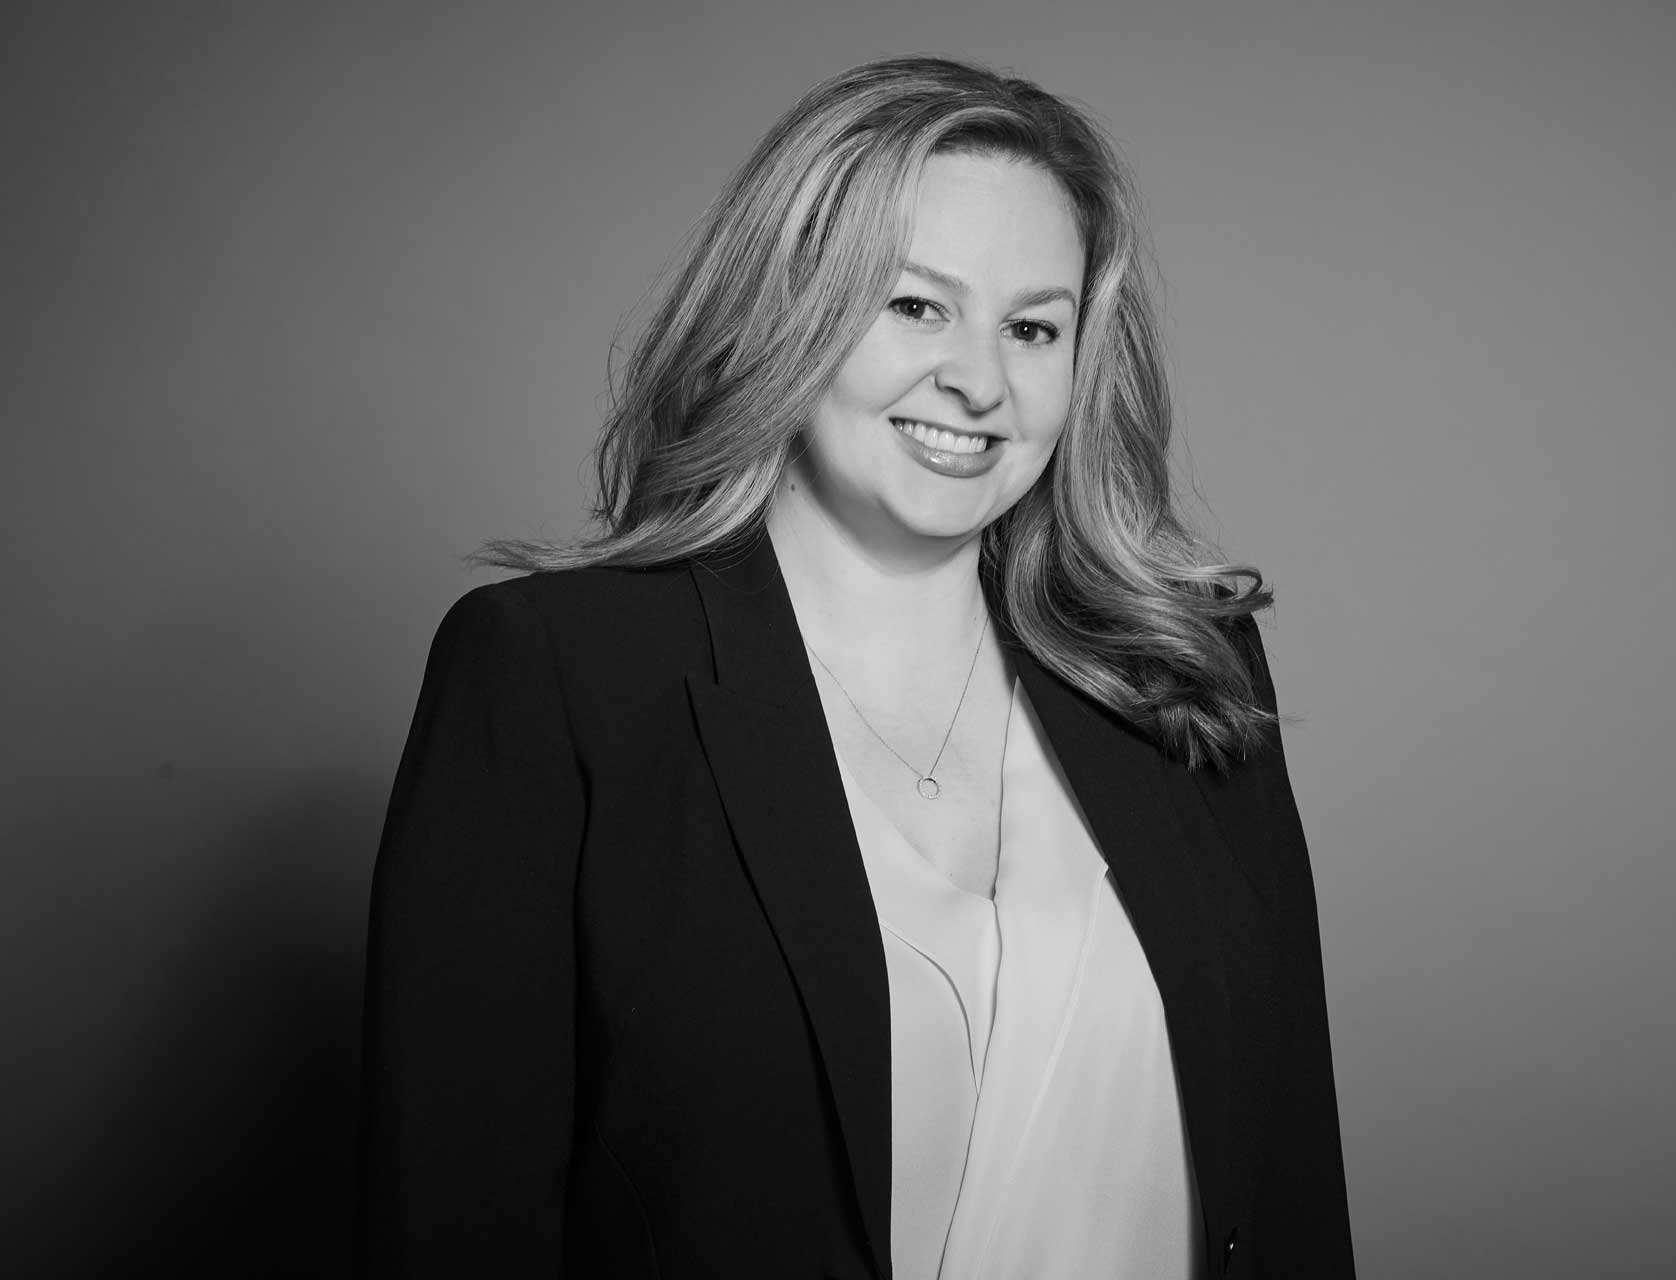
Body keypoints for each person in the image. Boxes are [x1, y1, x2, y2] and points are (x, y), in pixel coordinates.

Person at [356, 54, 1353, 1280]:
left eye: (1032, 327)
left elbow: (1294, 1179)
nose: (980, 381)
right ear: (790, 310)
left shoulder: (1182, 672)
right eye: (917, 306)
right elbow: (456, 1223)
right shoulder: (557, 678)